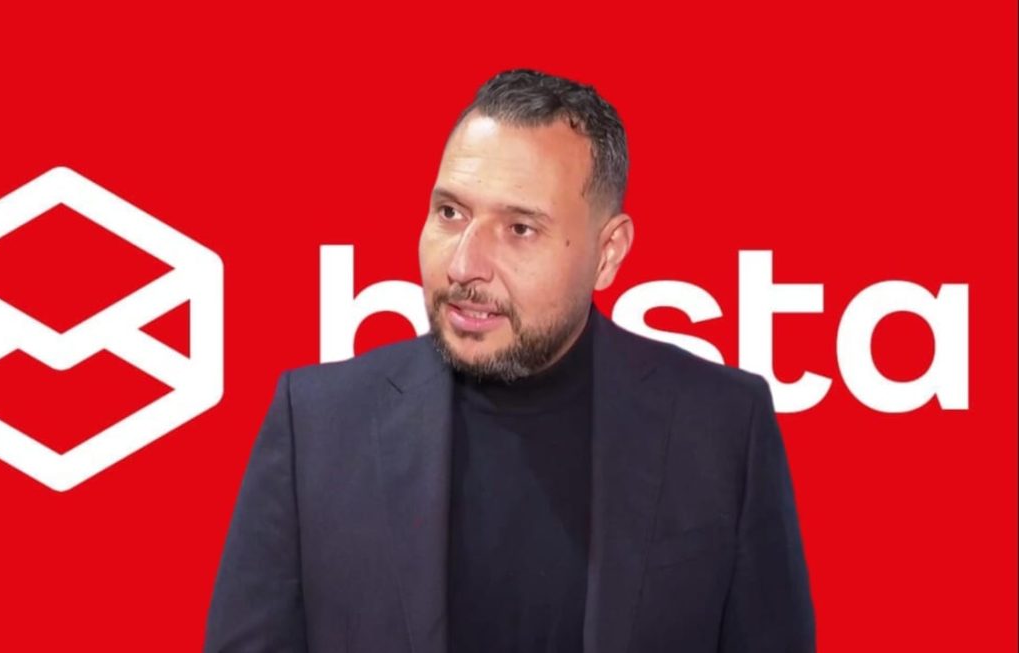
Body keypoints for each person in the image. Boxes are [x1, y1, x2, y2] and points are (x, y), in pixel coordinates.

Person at [204, 68, 815, 653]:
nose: (464, 264)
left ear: (608, 254)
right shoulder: (315, 425)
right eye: (450, 213)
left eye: (520, 228)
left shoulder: (722, 426)